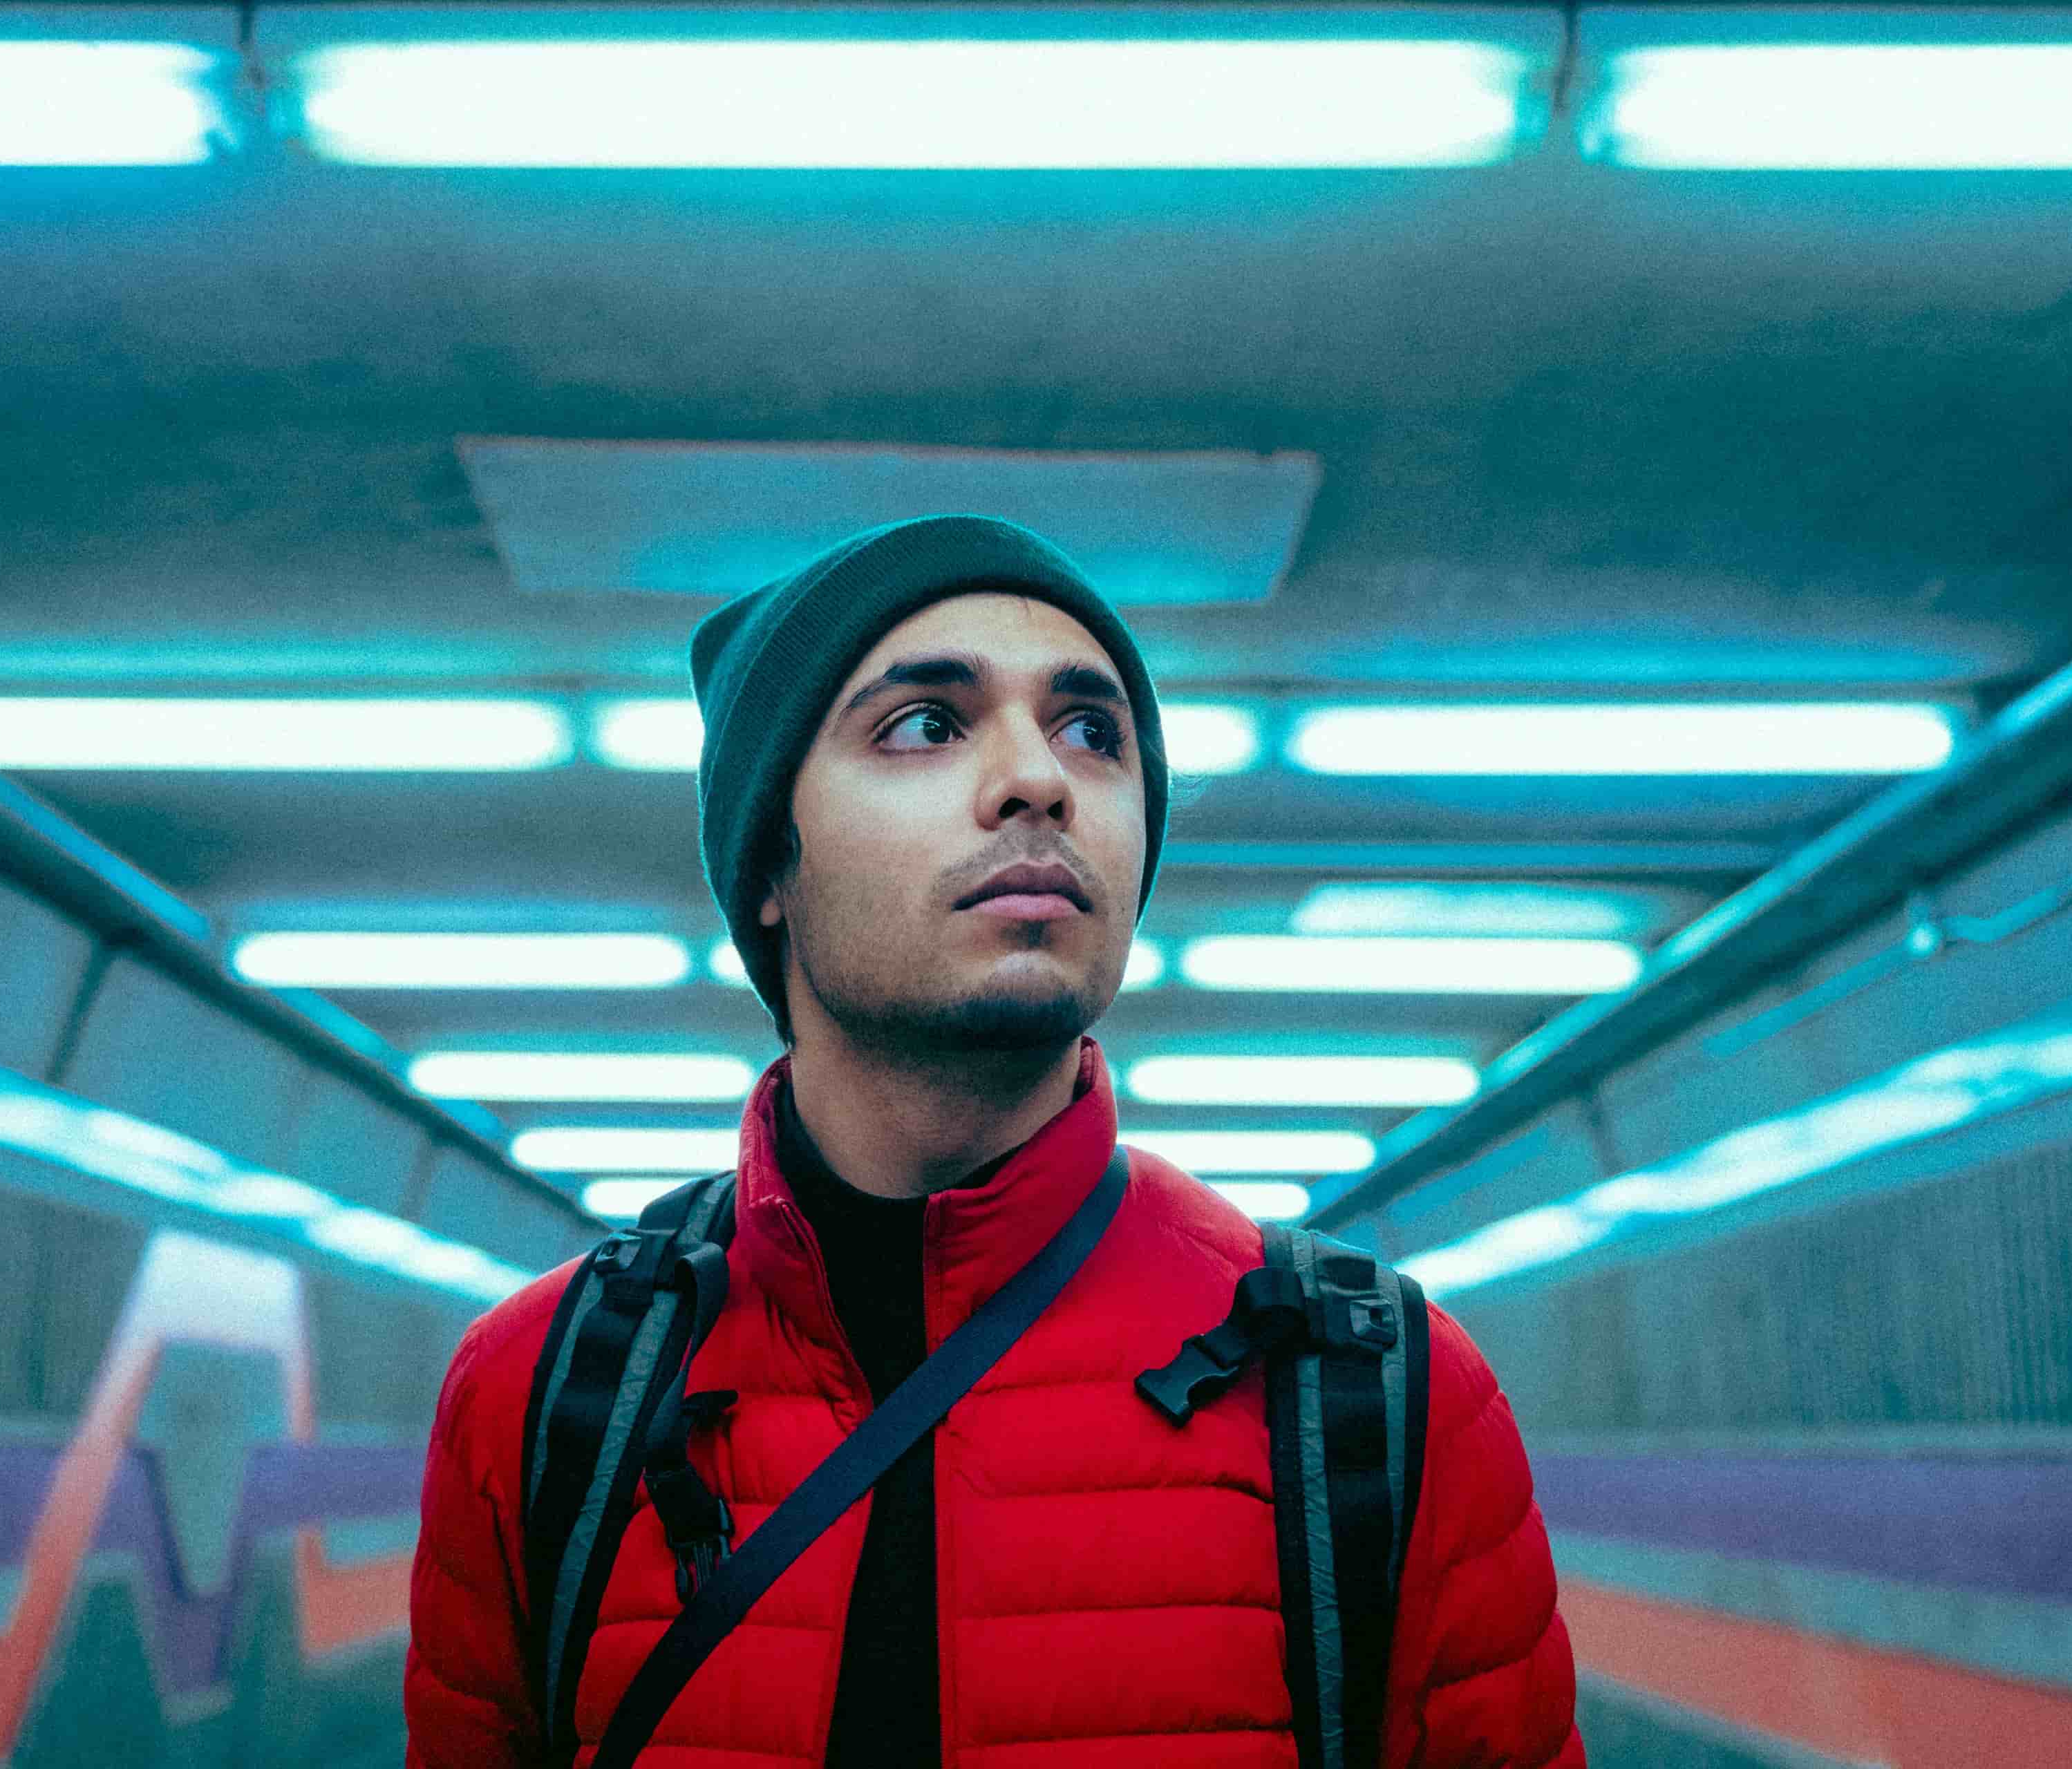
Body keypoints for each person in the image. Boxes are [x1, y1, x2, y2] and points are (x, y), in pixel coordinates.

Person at [404, 513, 1583, 1768]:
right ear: (771, 867)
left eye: (1094, 731)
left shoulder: (1370, 1386)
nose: (1043, 779)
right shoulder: (550, 1393)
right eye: (925, 722)